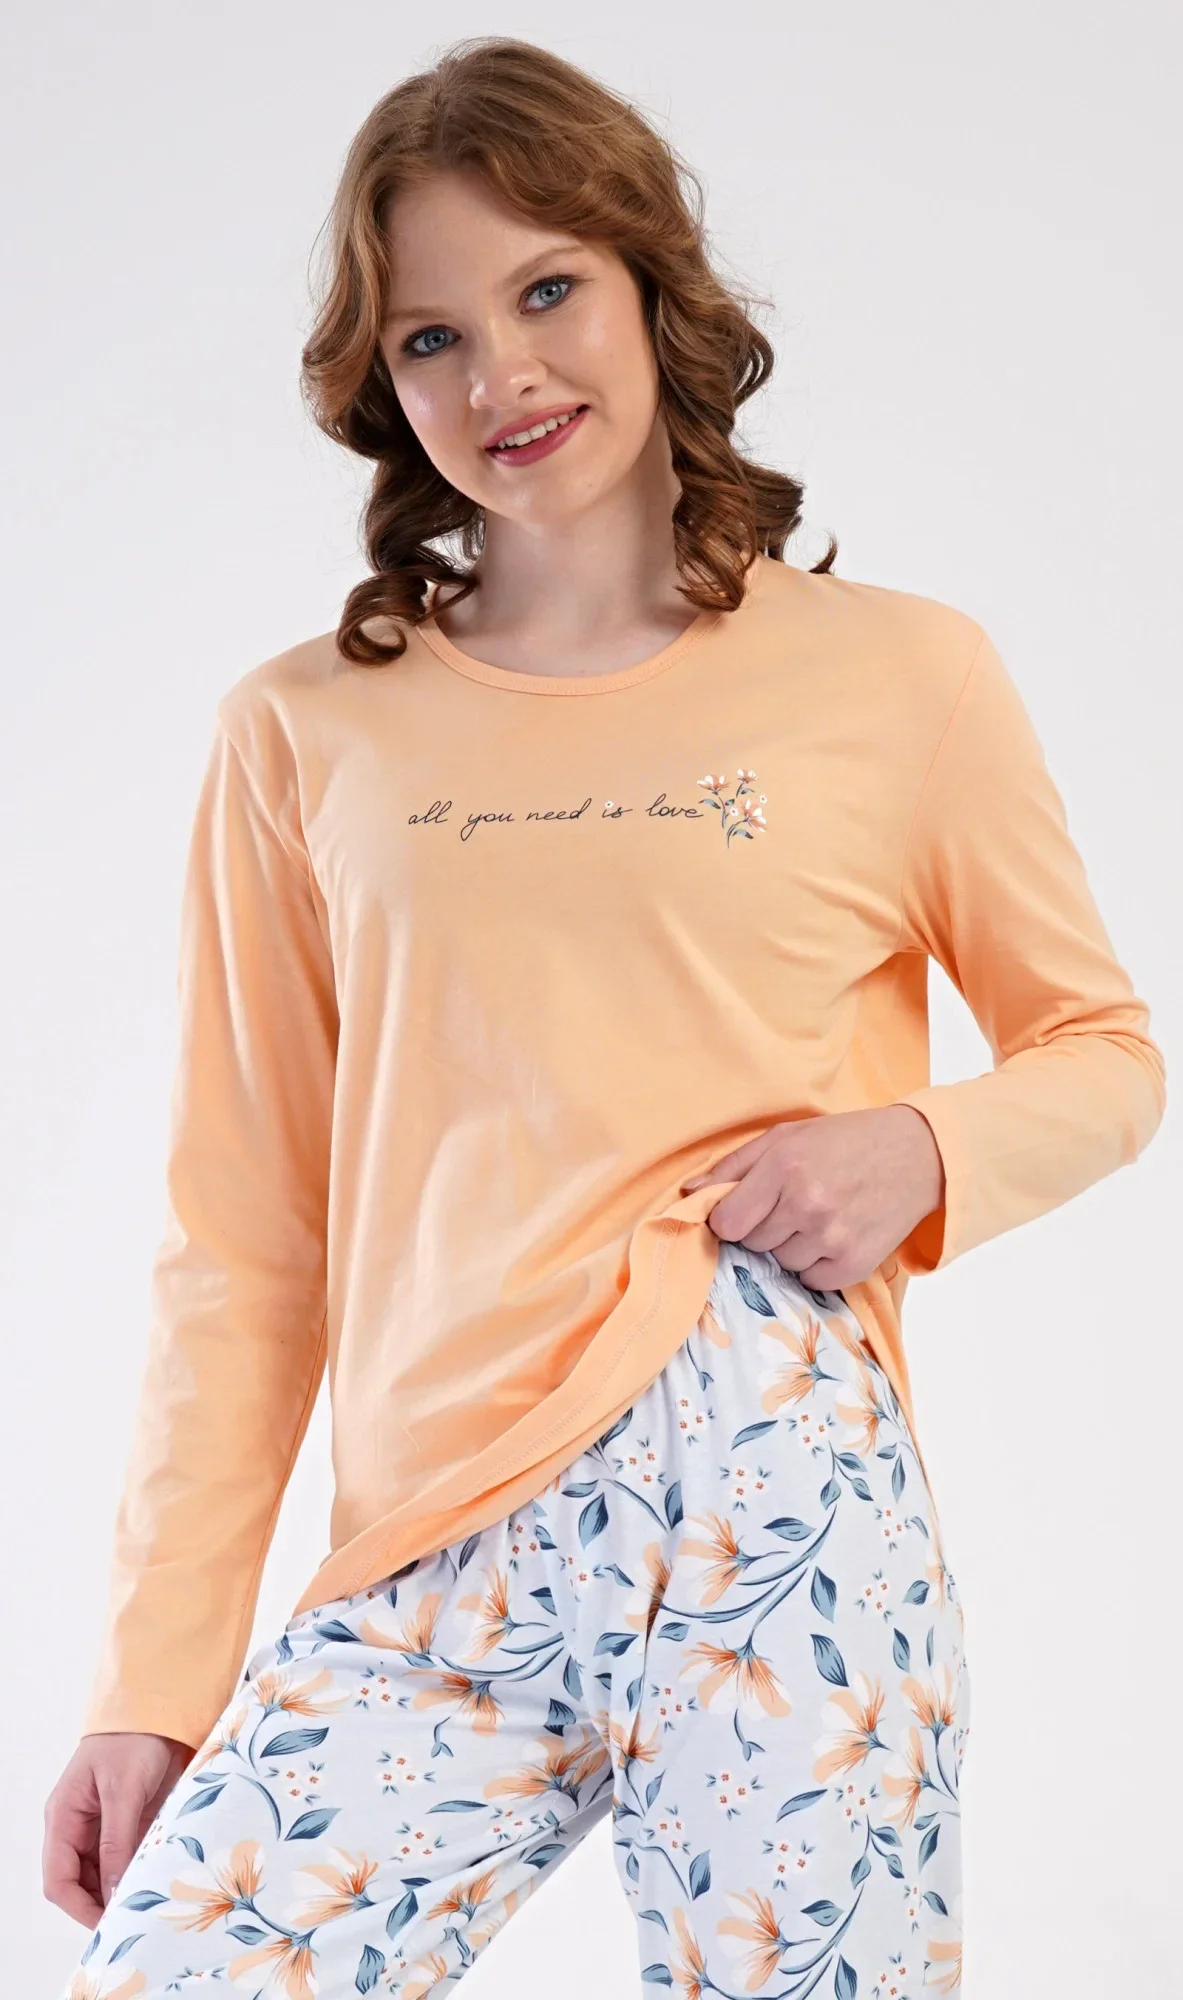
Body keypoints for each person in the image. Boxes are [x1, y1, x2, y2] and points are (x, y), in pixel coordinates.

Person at [45, 34, 1164, 2000]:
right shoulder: (303, 732)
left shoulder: (901, 677)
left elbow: (1107, 1053)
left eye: (547, 290)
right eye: (431, 339)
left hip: (783, 1528)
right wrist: (157, 1678)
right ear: (382, 385)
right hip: (435, 1545)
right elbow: (245, 1238)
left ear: (652, 285)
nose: (502, 377)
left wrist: (921, 1147)